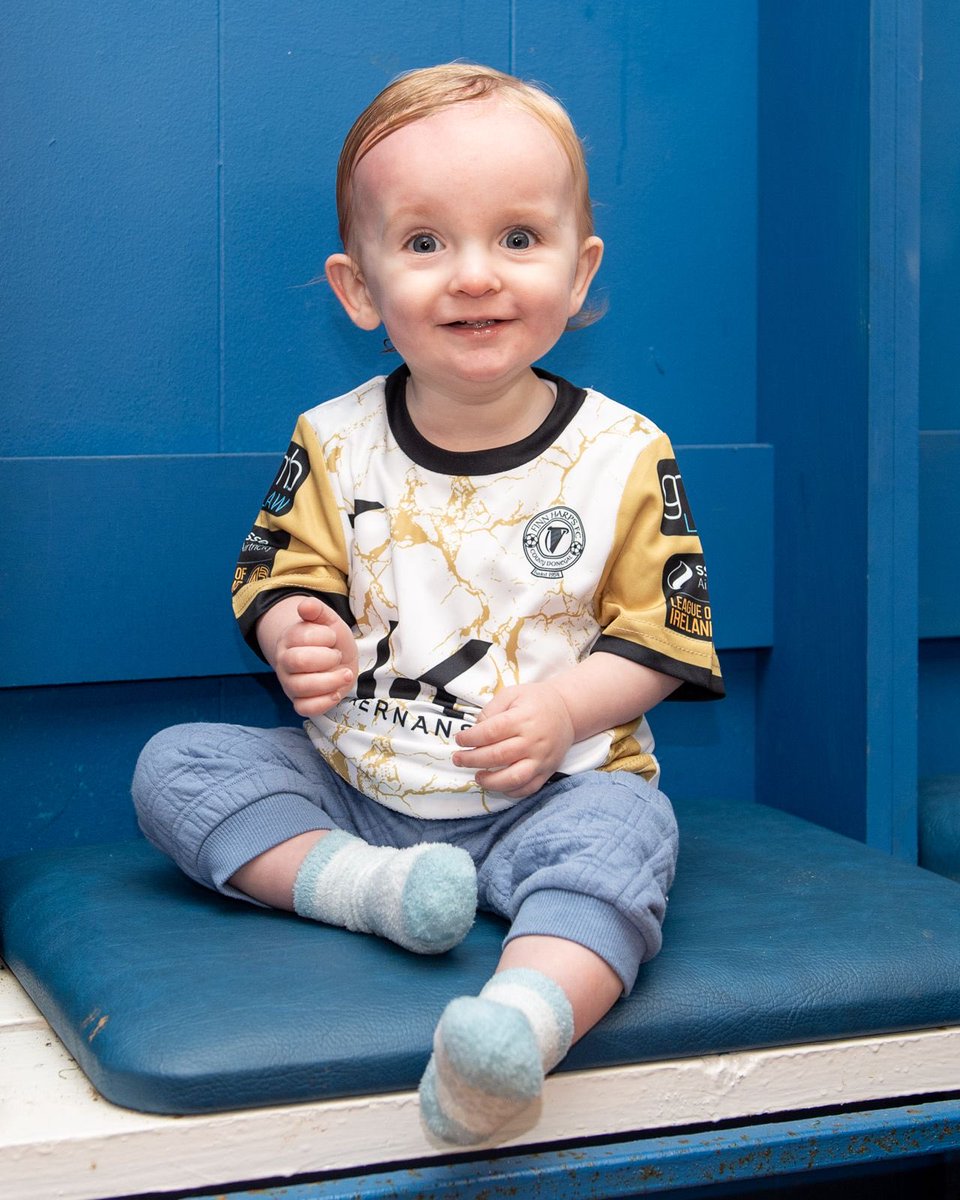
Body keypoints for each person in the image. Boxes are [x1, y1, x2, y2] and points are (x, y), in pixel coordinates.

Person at [133, 62, 724, 1146]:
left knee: (628, 839)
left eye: (516, 238)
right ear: (358, 289)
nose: (473, 277)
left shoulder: (624, 453)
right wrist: (291, 633)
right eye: (423, 243)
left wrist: (566, 712)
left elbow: (663, 637)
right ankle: (371, 892)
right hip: (357, 784)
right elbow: (279, 569)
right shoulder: (333, 436)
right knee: (175, 766)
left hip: (554, 791)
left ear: (579, 267)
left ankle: (512, 1030)